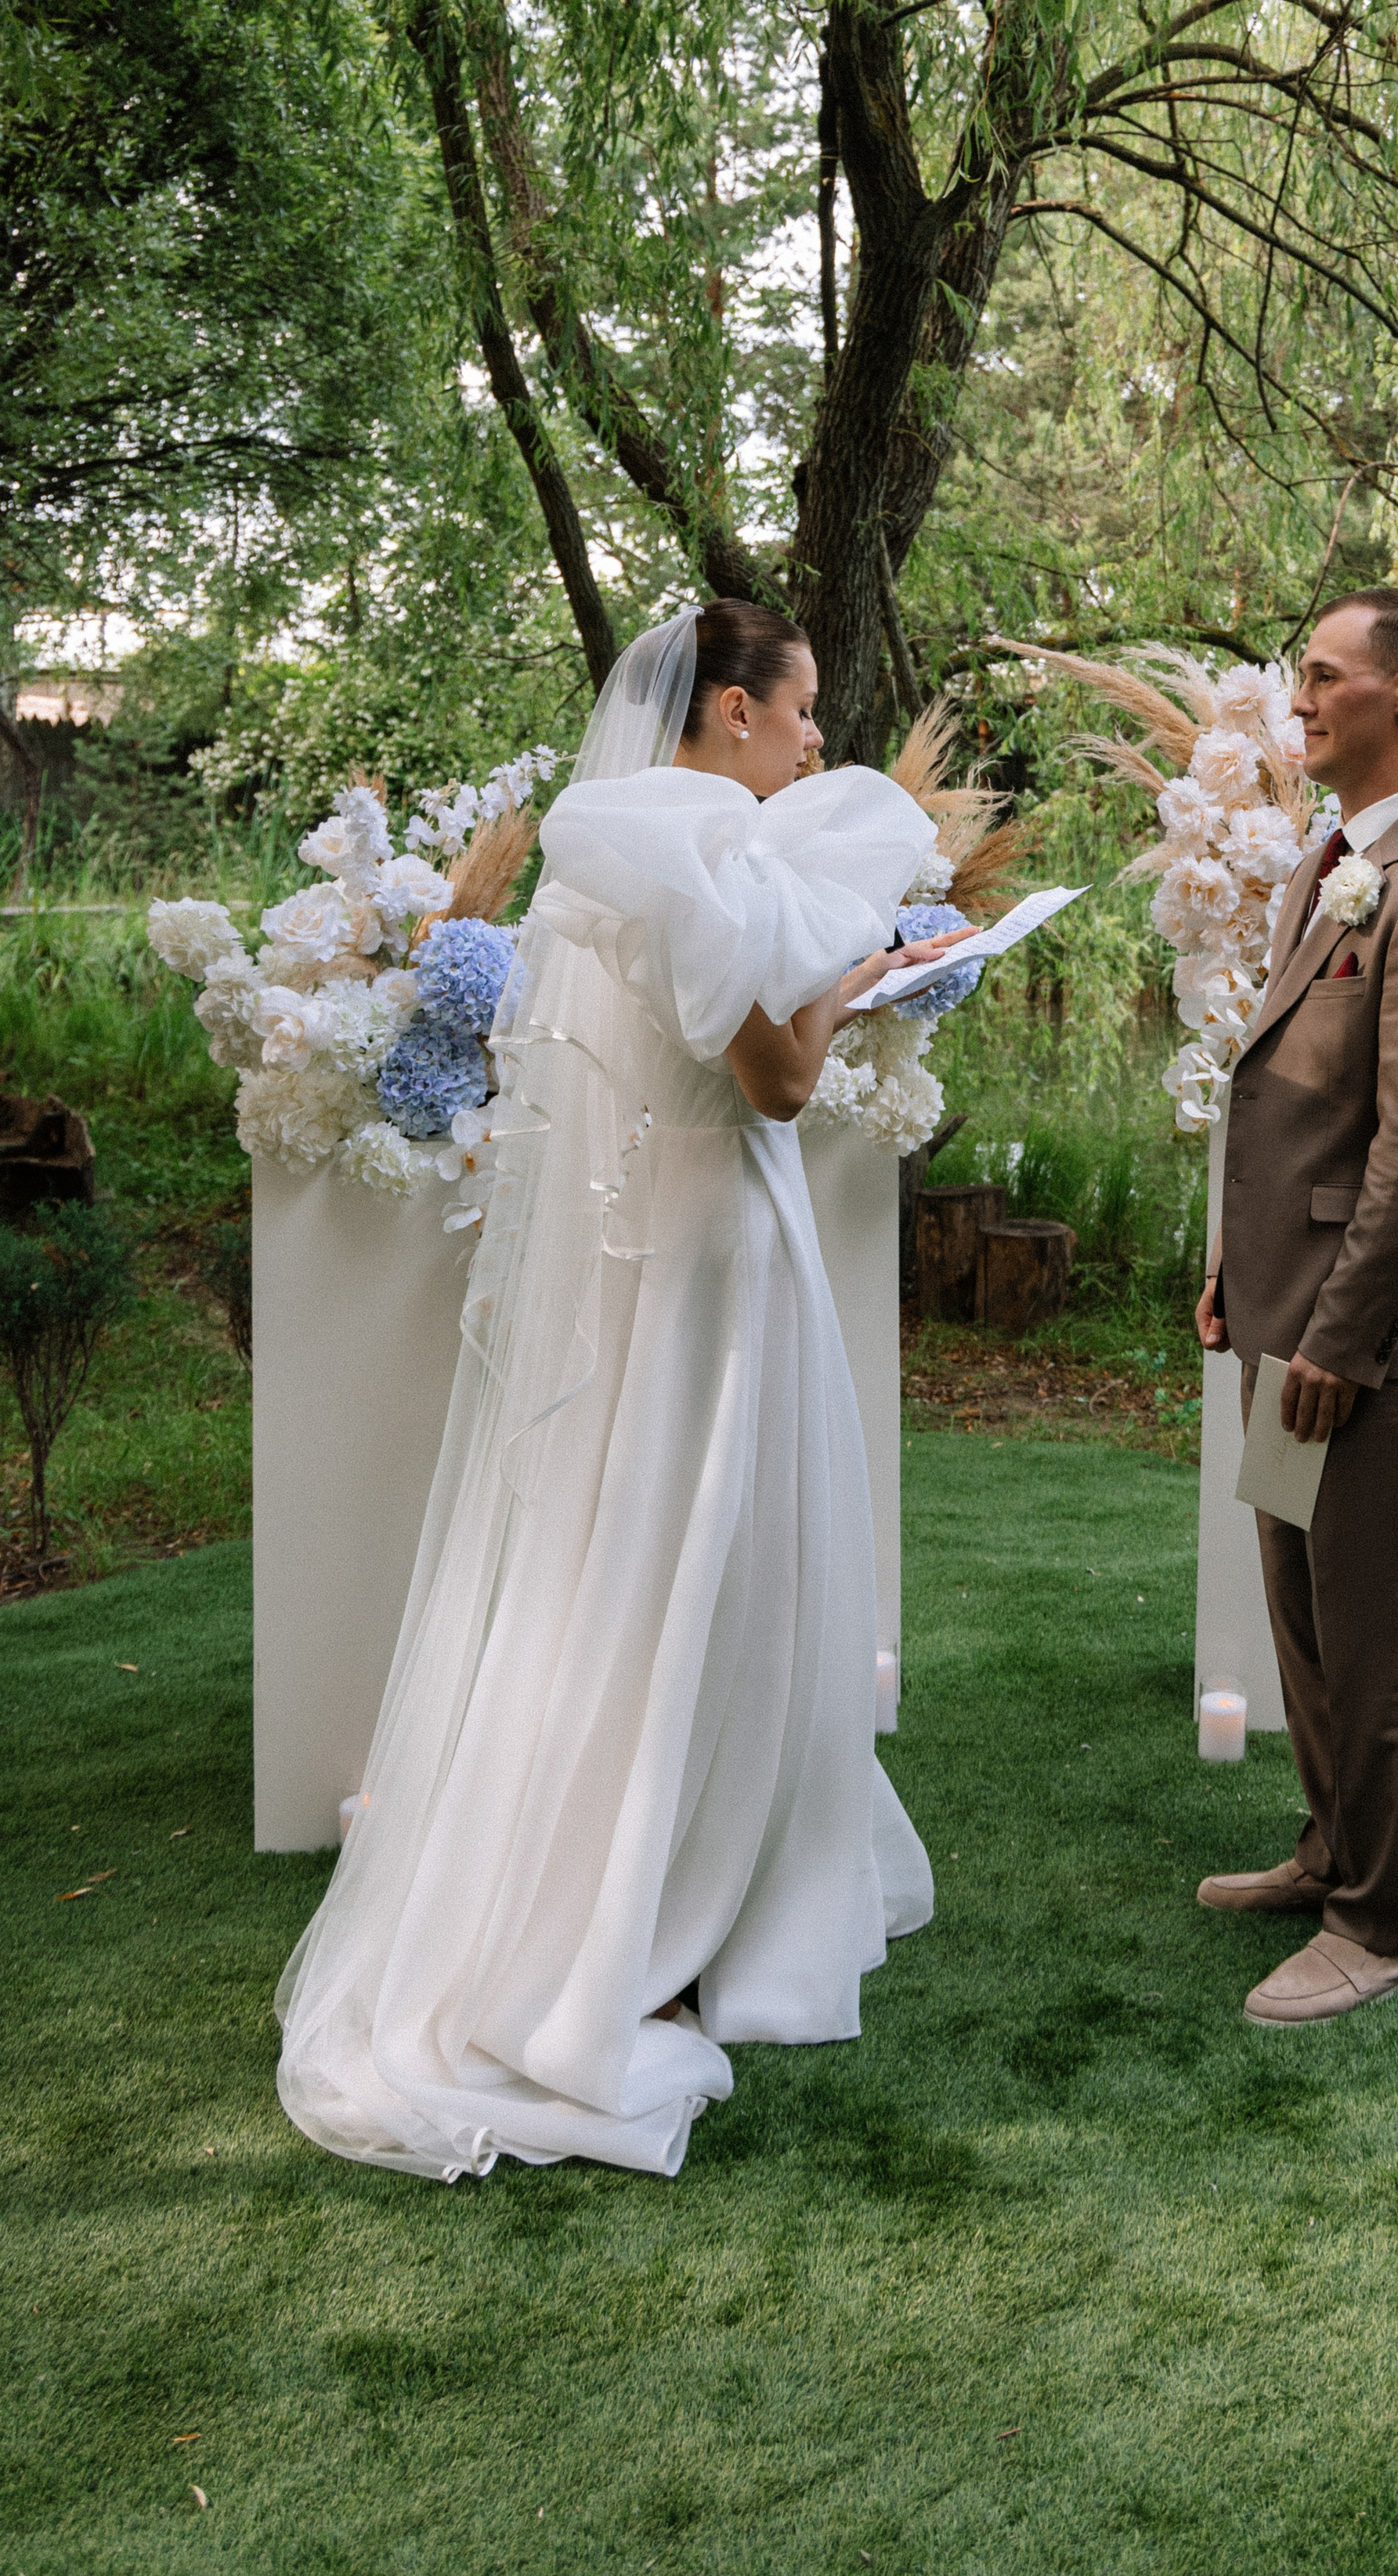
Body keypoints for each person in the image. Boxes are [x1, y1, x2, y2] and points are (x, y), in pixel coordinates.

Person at [275, 602, 967, 2177]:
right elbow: (775, 1077)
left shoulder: (625, 852)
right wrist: (871, 967)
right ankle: (658, 1903)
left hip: (663, 1237)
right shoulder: (691, 852)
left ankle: (676, 1860)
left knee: (639, 1550)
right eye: (797, 711)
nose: (809, 737)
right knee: (711, 1555)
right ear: (730, 706)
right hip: (714, 1245)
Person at [1195, 590, 1398, 2025]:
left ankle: (1386, 1923)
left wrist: (1336, 1337)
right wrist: (1232, 1266)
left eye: (1319, 676)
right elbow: (1286, 1090)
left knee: (1372, 1628)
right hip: (1285, 1306)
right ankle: (1333, 1849)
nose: (1297, 697)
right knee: (1303, 1609)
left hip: (1363, 1339)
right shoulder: (1332, 860)